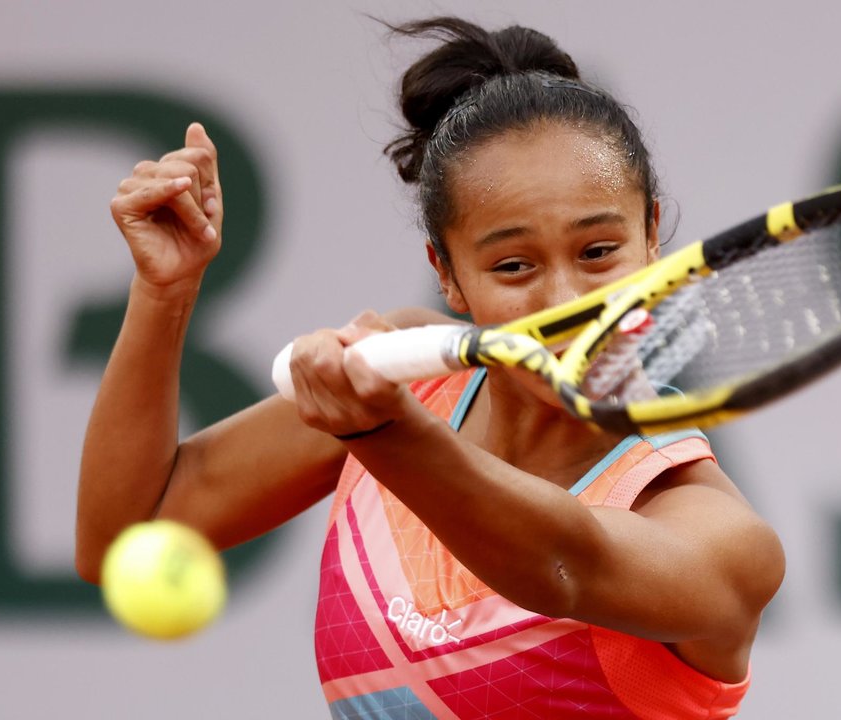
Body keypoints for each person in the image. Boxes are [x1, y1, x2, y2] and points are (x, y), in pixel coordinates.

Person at [76, 16, 784, 719]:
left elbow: (561, 566)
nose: (565, 300)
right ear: (446, 274)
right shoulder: (410, 380)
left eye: (598, 252)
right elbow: (126, 535)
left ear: (651, 238)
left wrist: (385, 433)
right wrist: (164, 291)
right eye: (513, 266)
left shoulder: (719, 539)